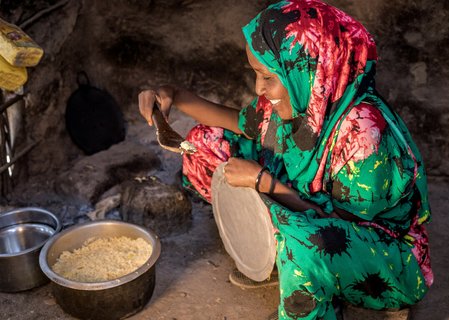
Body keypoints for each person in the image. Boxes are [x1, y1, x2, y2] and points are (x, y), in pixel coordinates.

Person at [138, 0, 433, 319]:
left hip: (384, 261)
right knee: (206, 141)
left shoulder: (364, 135)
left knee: (305, 242)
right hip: (312, 211)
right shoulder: (307, 100)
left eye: (267, 76)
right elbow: (238, 123)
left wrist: (262, 183)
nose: (258, 87)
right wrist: (173, 95)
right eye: (256, 73)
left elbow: (340, 231)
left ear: (305, 68)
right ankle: (283, 256)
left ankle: (312, 275)